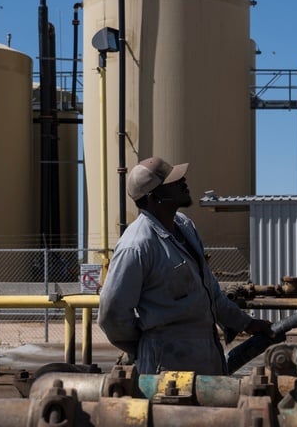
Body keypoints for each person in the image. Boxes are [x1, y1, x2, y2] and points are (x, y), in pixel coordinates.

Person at [98, 156, 271, 375]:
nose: (183, 181)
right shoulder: (137, 246)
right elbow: (112, 314)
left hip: (206, 357)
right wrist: (144, 345)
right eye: (173, 181)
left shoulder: (185, 226)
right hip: (167, 369)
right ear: (155, 197)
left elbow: (211, 294)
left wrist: (246, 323)